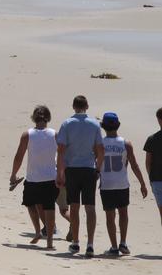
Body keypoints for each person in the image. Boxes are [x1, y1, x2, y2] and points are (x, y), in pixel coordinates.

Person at [56, 95, 104, 257]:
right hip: (89, 169)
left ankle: (76, 242)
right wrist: (97, 169)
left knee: (74, 207)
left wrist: (60, 173)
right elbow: (100, 150)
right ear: (87, 106)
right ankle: (90, 244)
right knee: (90, 208)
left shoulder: (67, 124)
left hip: (73, 170)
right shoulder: (94, 124)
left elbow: (61, 150)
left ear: (73, 106)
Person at [99, 112, 148, 256]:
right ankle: (123, 242)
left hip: (106, 184)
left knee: (110, 216)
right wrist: (142, 183)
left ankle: (114, 246)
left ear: (104, 126)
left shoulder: (99, 144)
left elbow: (95, 164)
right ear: (117, 125)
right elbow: (134, 165)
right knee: (123, 213)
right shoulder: (125, 143)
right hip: (122, 184)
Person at [10, 105, 59, 249]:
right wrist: (62, 172)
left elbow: (19, 156)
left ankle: (38, 231)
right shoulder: (54, 134)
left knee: (30, 204)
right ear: (48, 118)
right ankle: (49, 240)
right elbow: (63, 154)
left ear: (34, 118)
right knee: (49, 208)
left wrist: (13, 174)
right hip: (51, 177)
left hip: (33, 177)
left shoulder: (28, 134)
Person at [144, 107, 162, 228]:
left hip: (157, 179)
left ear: (158, 120)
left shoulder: (152, 139)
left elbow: (148, 162)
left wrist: (150, 178)